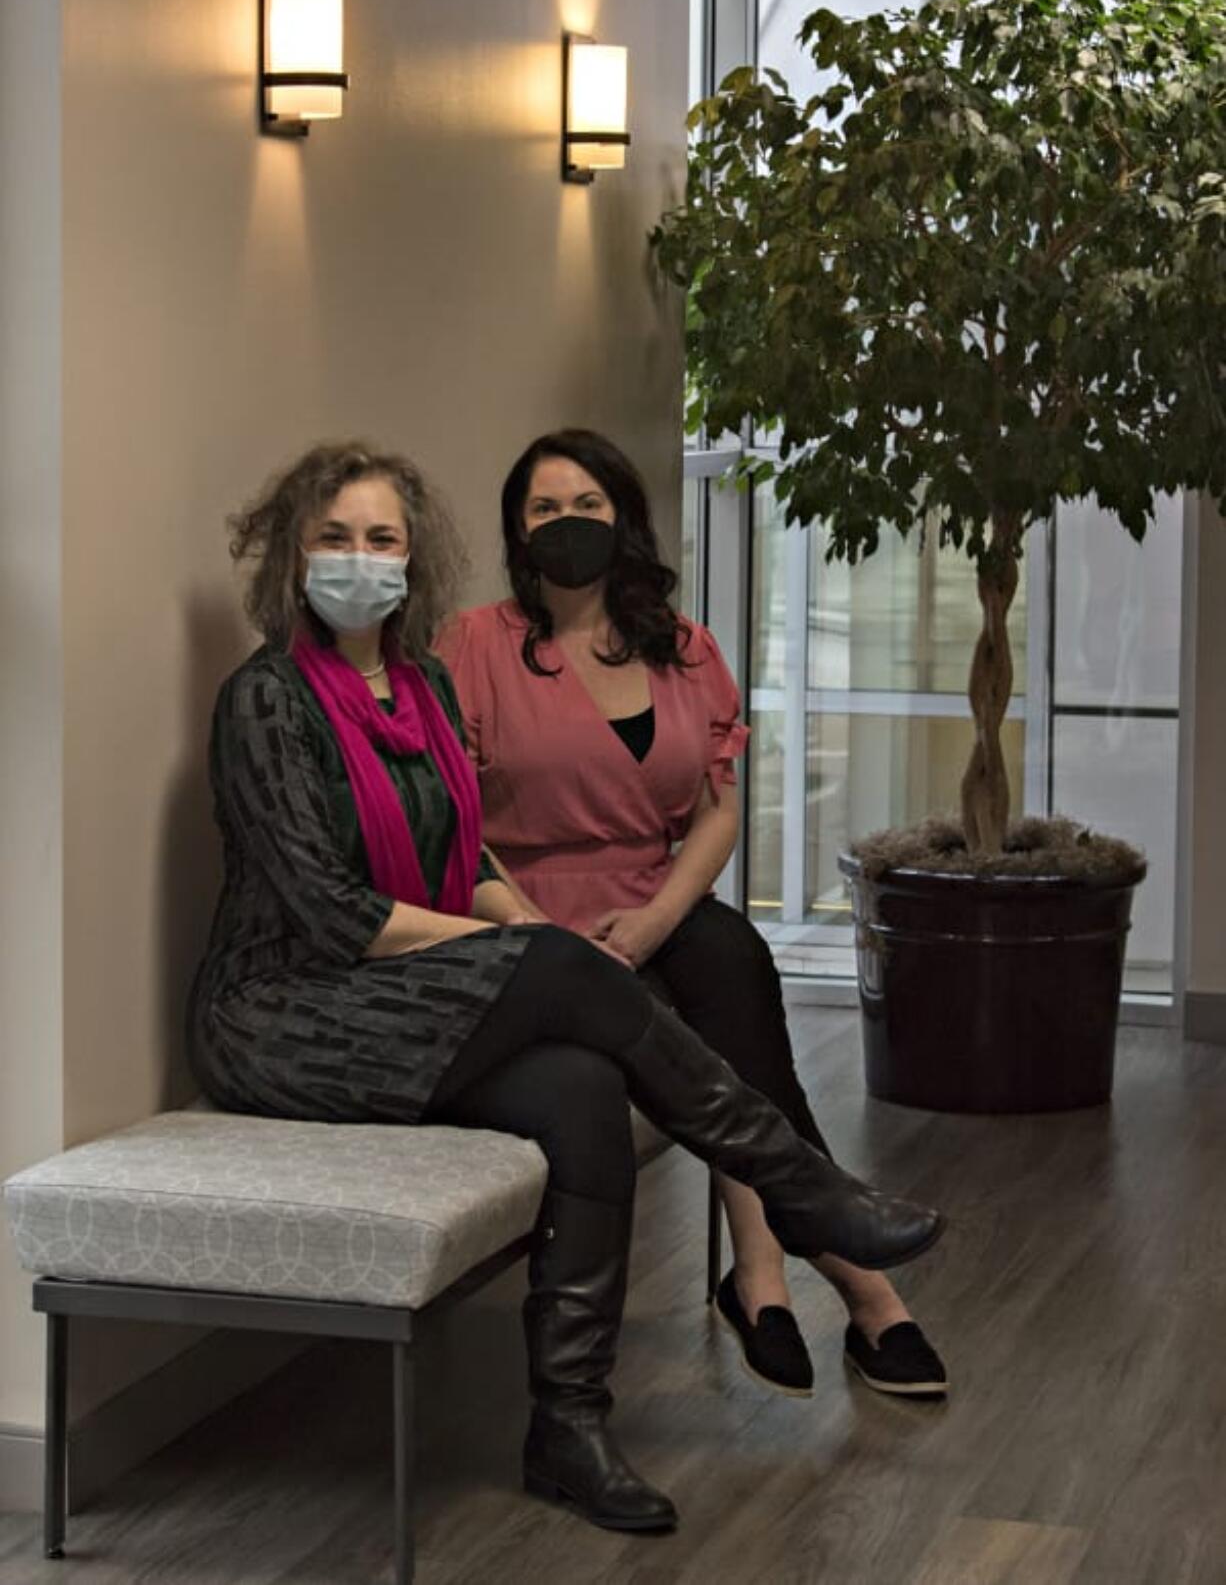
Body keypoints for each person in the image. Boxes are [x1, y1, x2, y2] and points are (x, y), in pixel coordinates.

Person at [188, 439, 944, 1538]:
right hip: (286, 1010)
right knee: (560, 972)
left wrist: (526, 928)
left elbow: (472, 856)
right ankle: (795, 1186)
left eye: (382, 538)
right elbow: (331, 914)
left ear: (415, 556)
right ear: (290, 557)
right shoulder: (262, 701)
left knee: (583, 1088)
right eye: (334, 537)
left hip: (398, 999)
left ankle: (568, 1429)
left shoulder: (422, 682)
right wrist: (527, 953)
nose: (360, 558)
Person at [436, 428, 948, 1401]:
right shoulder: (473, 646)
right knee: (692, 1027)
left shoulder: (681, 648)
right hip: (525, 918)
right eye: (542, 509)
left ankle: (767, 1268)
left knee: (731, 966)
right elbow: (450, 829)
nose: (565, 525)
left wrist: (657, 917)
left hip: (653, 899)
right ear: (514, 530)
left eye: (585, 505)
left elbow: (716, 806)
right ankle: (846, 1273)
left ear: (622, 519)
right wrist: (540, 930)